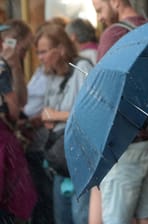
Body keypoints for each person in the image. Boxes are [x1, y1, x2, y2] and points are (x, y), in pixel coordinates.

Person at [91, 1, 148, 224]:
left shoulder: (114, 34)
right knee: (147, 218)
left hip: (125, 145)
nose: (99, 18)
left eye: (99, 10)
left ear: (115, 2)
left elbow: (104, 91)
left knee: (117, 219)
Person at [34, 23, 93, 224]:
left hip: (80, 157)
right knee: (62, 218)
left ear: (60, 49)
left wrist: (57, 115)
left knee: (81, 217)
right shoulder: (50, 75)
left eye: (43, 52)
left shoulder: (82, 67)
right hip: (59, 158)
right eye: (38, 53)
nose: (40, 58)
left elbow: (92, 112)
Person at [0, 19, 37, 223]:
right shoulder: (0, 68)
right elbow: (15, 111)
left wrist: (15, 67)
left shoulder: (9, 65)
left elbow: (22, 100)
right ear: (11, 41)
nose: (24, 54)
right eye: (23, 49)